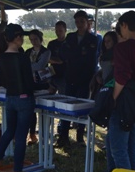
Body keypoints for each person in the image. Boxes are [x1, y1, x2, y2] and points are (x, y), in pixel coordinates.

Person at [0, 24, 37, 172]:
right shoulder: (22, 57)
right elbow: (29, 83)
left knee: (9, 131)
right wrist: (45, 86)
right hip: (24, 99)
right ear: (17, 38)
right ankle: (17, 171)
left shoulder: (1, 57)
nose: (23, 39)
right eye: (22, 36)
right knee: (21, 136)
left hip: (10, 98)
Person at [106, 10, 135, 172]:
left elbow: (122, 77)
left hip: (123, 105)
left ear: (124, 25)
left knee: (118, 149)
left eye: (120, 27)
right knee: (134, 147)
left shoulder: (122, 48)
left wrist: (112, 98)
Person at [57, 10, 99, 146]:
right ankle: (63, 135)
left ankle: (80, 136)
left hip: (85, 78)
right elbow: (63, 54)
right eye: (77, 22)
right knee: (67, 106)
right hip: (71, 77)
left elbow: (91, 60)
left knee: (82, 107)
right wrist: (77, 56)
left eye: (82, 21)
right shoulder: (70, 37)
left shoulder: (93, 39)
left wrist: (75, 55)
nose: (79, 24)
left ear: (87, 22)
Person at [26, 29, 51, 145]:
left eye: (35, 39)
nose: (33, 42)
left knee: (44, 110)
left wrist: (27, 66)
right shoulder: (27, 51)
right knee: (31, 110)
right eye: (31, 39)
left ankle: (44, 136)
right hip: (31, 83)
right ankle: (32, 134)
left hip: (43, 83)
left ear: (40, 39)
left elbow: (40, 65)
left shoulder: (46, 52)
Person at [47, 21, 67, 95]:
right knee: (50, 94)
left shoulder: (68, 43)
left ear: (65, 30)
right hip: (53, 73)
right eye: (56, 31)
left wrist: (54, 60)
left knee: (62, 95)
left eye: (60, 31)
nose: (58, 33)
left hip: (64, 74)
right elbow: (47, 58)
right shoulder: (52, 44)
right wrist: (58, 61)